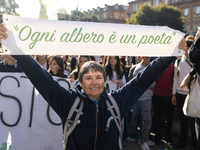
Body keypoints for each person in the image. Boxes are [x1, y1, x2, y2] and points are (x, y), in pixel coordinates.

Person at [0, 23, 186, 150]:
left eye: (98, 77)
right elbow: (39, 77)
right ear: (80, 82)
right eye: (88, 78)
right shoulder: (67, 101)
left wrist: (171, 54)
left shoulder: (117, 101)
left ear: (104, 81)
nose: (94, 82)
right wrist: (13, 45)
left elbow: (145, 78)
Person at [172, 35, 194, 149]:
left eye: (188, 47)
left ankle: (194, 144)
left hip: (191, 94)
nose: (186, 50)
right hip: (180, 94)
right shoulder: (178, 60)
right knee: (183, 120)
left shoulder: (195, 61)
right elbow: (175, 78)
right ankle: (183, 141)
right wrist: (173, 94)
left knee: (193, 121)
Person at [152, 62, 174, 147]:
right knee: (157, 117)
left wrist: (173, 94)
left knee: (169, 118)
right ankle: (158, 136)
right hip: (157, 95)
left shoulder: (173, 65)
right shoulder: (156, 64)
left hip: (169, 96)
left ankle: (167, 137)